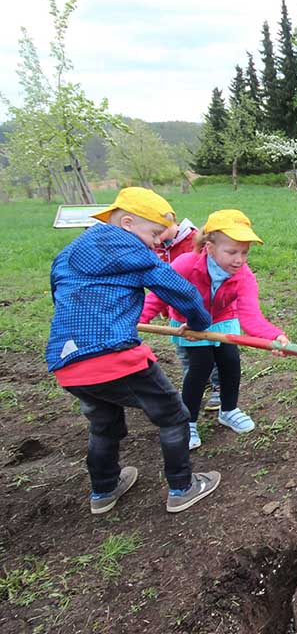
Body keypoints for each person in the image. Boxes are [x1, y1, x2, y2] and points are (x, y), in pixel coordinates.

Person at [45, 187, 220, 515]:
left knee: (103, 422)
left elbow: (60, 296)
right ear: (126, 223)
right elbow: (179, 290)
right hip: (114, 356)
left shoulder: (68, 254)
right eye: (154, 234)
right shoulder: (130, 249)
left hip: (67, 362)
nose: (157, 243)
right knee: (173, 415)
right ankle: (183, 487)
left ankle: (104, 490)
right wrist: (199, 322)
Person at [141, 209, 289, 450]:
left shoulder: (243, 276)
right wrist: (136, 321)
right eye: (231, 252)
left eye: (244, 252)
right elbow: (159, 296)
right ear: (209, 247)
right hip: (189, 323)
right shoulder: (186, 265)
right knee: (201, 366)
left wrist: (275, 336)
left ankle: (228, 409)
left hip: (223, 319)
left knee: (231, 362)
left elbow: (251, 317)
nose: (239, 259)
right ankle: (187, 421)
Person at [154, 218, 223, 412]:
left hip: (210, 315)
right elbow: (162, 286)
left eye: (158, 230)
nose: (156, 236)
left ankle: (218, 388)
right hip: (179, 317)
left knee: (215, 355)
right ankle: (193, 393)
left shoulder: (192, 244)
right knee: (188, 359)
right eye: (153, 232)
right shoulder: (155, 246)